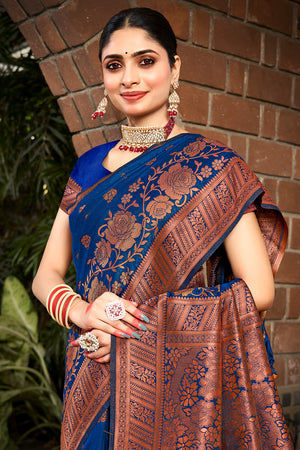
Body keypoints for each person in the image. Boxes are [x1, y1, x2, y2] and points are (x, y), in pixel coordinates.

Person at [32, 7, 293, 449]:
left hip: (175, 391)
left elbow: (259, 291)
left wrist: (138, 330)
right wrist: (83, 313)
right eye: (115, 65)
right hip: (92, 375)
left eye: (146, 61)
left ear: (175, 69)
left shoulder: (215, 167)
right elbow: (46, 275)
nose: (129, 78)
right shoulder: (89, 167)